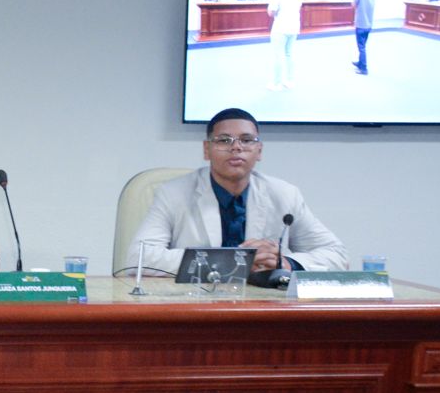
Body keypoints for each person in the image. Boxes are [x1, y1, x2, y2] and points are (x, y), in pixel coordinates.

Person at [127, 108, 348, 278]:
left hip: (264, 308)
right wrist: (233, 262)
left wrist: (285, 263)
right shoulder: (173, 193)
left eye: (246, 140)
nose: (236, 147)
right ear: (207, 150)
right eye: (224, 140)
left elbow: (337, 255)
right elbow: (138, 257)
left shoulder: (284, 194)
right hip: (197, 304)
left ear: (259, 151)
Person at [267, 0, 300, 90]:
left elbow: (271, 12)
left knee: (278, 55)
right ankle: (290, 81)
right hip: (294, 27)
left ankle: (276, 84)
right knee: (289, 54)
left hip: (281, 27)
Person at [351, 0, 375, 75]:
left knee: (361, 47)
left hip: (361, 24)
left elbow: (353, 4)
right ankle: (360, 63)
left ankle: (364, 68)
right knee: (363, 45)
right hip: (369, 24)